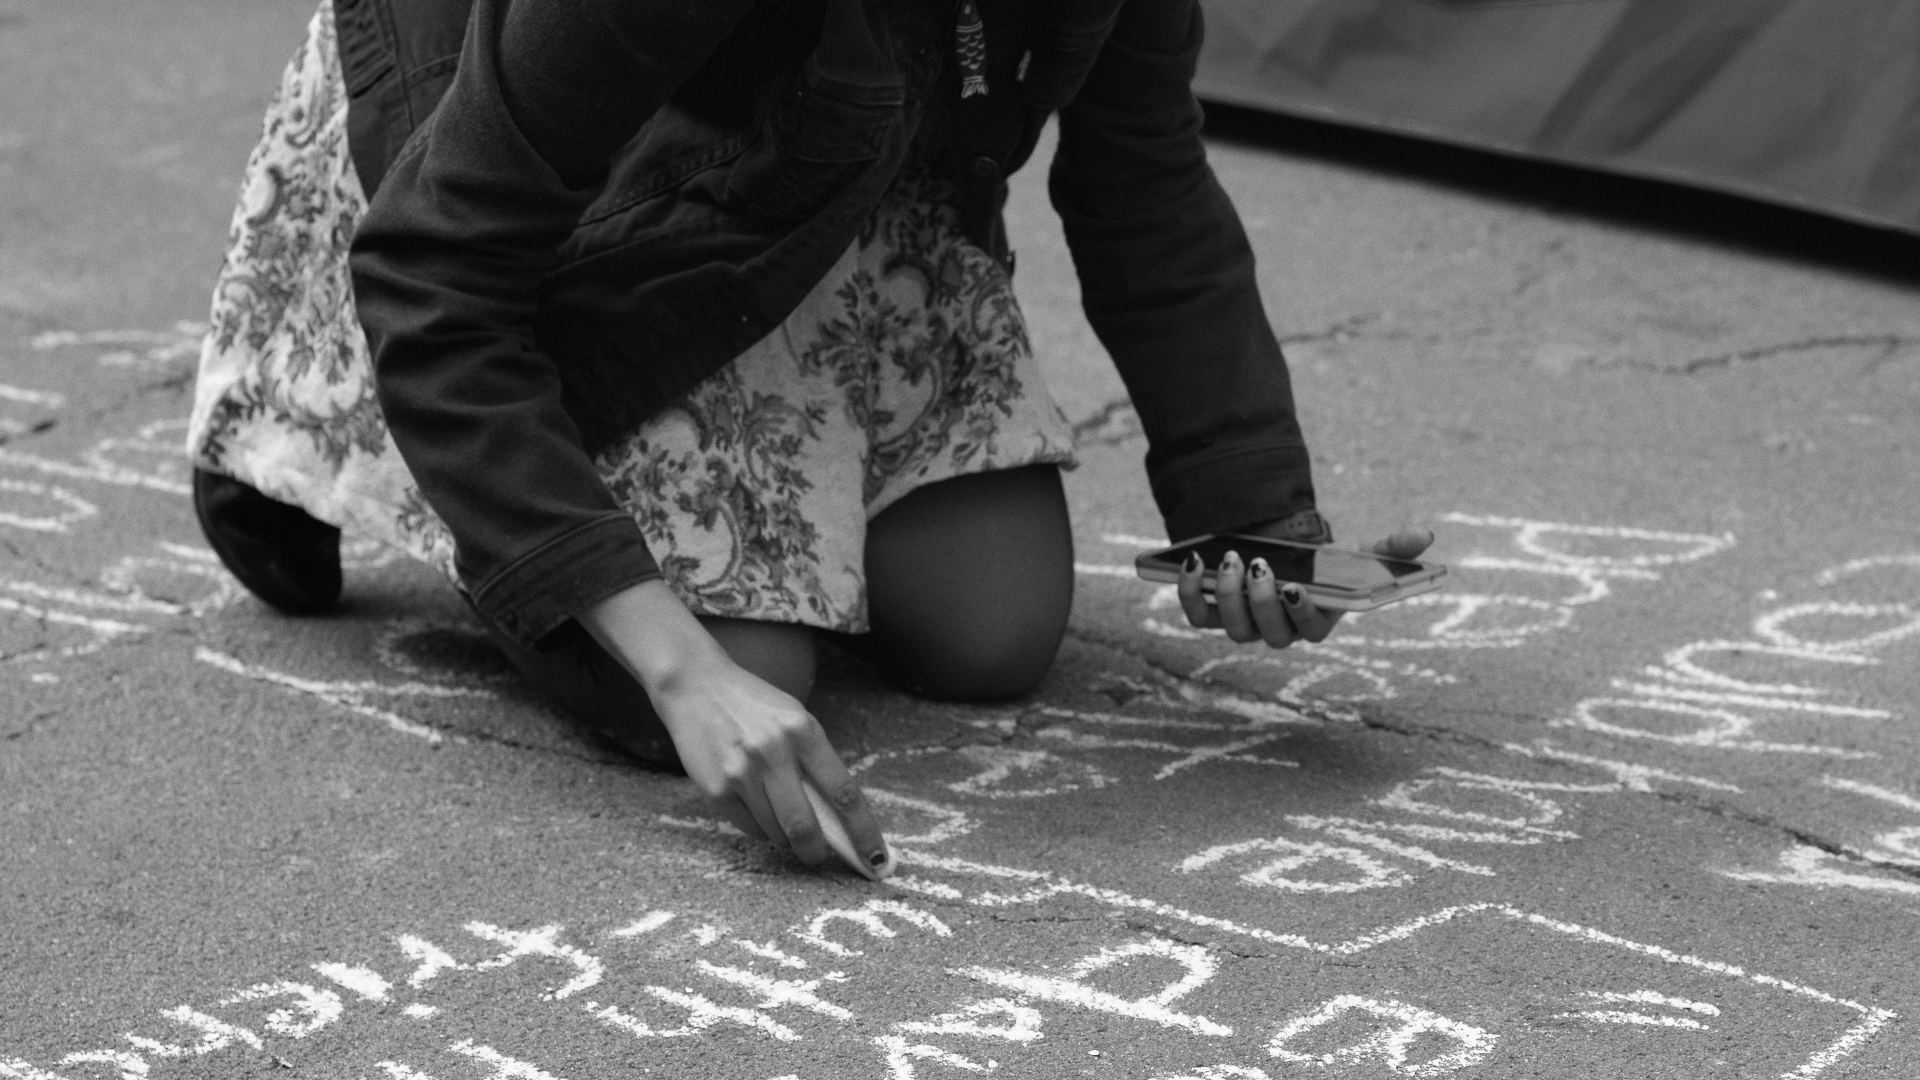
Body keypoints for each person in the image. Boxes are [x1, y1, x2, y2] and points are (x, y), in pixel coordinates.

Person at [187, 0, 1432, 877]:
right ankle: (303, 429)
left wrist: (1250, 512)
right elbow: (437, 265)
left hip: (833, 161)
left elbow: (1146, 180)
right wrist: (684, 674)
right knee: (747, 673)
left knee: (993, 629)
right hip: (551, 184)